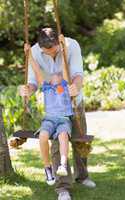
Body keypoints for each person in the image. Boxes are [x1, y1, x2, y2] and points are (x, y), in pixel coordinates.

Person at [20, 27, 96, 200]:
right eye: (49, 53)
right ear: (41, 49)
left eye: (56, 51)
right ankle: (62, 187)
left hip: (74, 103)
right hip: (54, 113)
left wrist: (75, 86)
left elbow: (76, 73)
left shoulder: (71, 46)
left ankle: (82, 176)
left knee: (79, 141)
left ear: (58, 44)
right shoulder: (35, 53)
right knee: (56, 145)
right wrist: (27, 90)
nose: (52, 55)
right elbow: (34, 81)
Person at [28, 48, 73, 185]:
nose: (56, 75)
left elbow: (65, 67)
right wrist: (28, 54)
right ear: (50, 80)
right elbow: (36, 70)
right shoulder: (47, 88)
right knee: (43, 136)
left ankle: (63, 165)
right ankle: (47, 167)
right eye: (54, 75)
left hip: (64, 120)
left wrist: (63, 48)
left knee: (63, 135)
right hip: (49, 120)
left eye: (59, 75)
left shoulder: (64, 87)